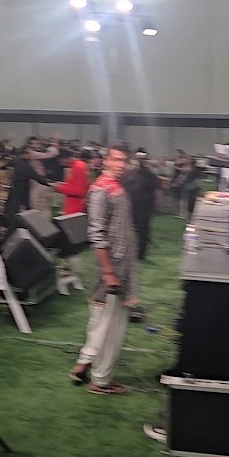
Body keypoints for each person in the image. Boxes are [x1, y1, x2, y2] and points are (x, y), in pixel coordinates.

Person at [70, 143, 138, 395]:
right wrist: (109, 272)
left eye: (124, 161)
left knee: (102, 320)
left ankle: (85, 364)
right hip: (111, 269)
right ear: (106, 160)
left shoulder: (114, 186)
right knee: (109, 326)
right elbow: (97, 235)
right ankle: (100, 380)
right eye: (116, 160)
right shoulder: (101, 190)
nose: (120, 165)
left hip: (118, 266)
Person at [3, 141, 54, 224]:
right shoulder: (22, 165)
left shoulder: (15, 161)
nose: (32, 156)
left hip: (15, 188)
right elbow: (34, 175)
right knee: (16, 211)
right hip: (20, 191)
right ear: (25, 154)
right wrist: (49, 183)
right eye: (30, 153)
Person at [124, 149, 159, 259]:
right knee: (129, 228)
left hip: (145, 206)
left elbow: (156, 191)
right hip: (131, 205)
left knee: (143, 229)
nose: (141, 161)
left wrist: (156, 205)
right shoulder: (129, 174)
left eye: (143, 159)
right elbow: (124, 188)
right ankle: (129, 249)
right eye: (139, 159)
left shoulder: (150, 175)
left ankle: (140, 252)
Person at [55, 147, 92, 216]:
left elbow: (78, 190)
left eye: (61, 161)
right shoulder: (78, 165)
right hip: (74, 201)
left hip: (75, 203)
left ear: (67, 158)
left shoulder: (78, 167)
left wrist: (59, 187)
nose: (61, 163)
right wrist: (63, 185)